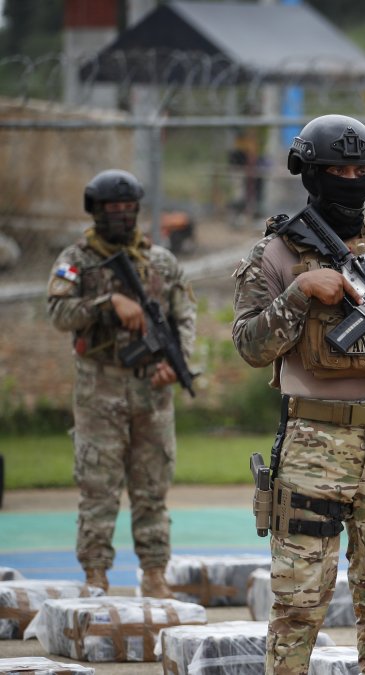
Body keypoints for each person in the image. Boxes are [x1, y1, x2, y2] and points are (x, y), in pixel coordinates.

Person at [231, 114, 365, 675]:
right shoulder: (276, 256)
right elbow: (251, 346)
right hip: (312, 440)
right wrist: (302, 293)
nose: (350, 179)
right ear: (309, 173)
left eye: (360, 169)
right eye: (337, 169)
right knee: (300, 595)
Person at [46, 169, 196, 597]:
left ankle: (154, 574)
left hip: (153, 388)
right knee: (98, 487)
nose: (121, 216)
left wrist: (176, 363)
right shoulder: (75, 261)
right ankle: (95, 574)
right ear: (95, 211)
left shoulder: (161, 262)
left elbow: (184, 317)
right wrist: (107, 304)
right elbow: (58, 313)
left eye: (128, 209)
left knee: (152, 487)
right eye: (112, 209)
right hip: (100, 387)